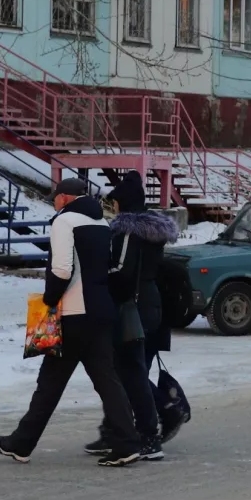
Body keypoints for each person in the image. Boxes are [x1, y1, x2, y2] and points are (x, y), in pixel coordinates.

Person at [0, 177, 145, 466]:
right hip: (100, 311)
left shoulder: (64, 222)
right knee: (106, 381)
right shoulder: (101, 223)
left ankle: (22, 444)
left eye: (56, 197)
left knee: (50, 382)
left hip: (74, 313)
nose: (54, 201)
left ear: (65, 198)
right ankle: (127, 442)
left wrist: (49, 301)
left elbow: (61, 269)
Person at [89, 170, 179, 459]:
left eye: (113, 201)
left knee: (130, 373)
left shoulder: (128, 230)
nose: (111, 206)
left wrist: (98, 279)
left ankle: (149, 434)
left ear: (121, 204)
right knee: (126, 372)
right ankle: (118, 430)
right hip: (149, 306)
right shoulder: (152, 232)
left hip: (132, 308)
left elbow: (122, 271)